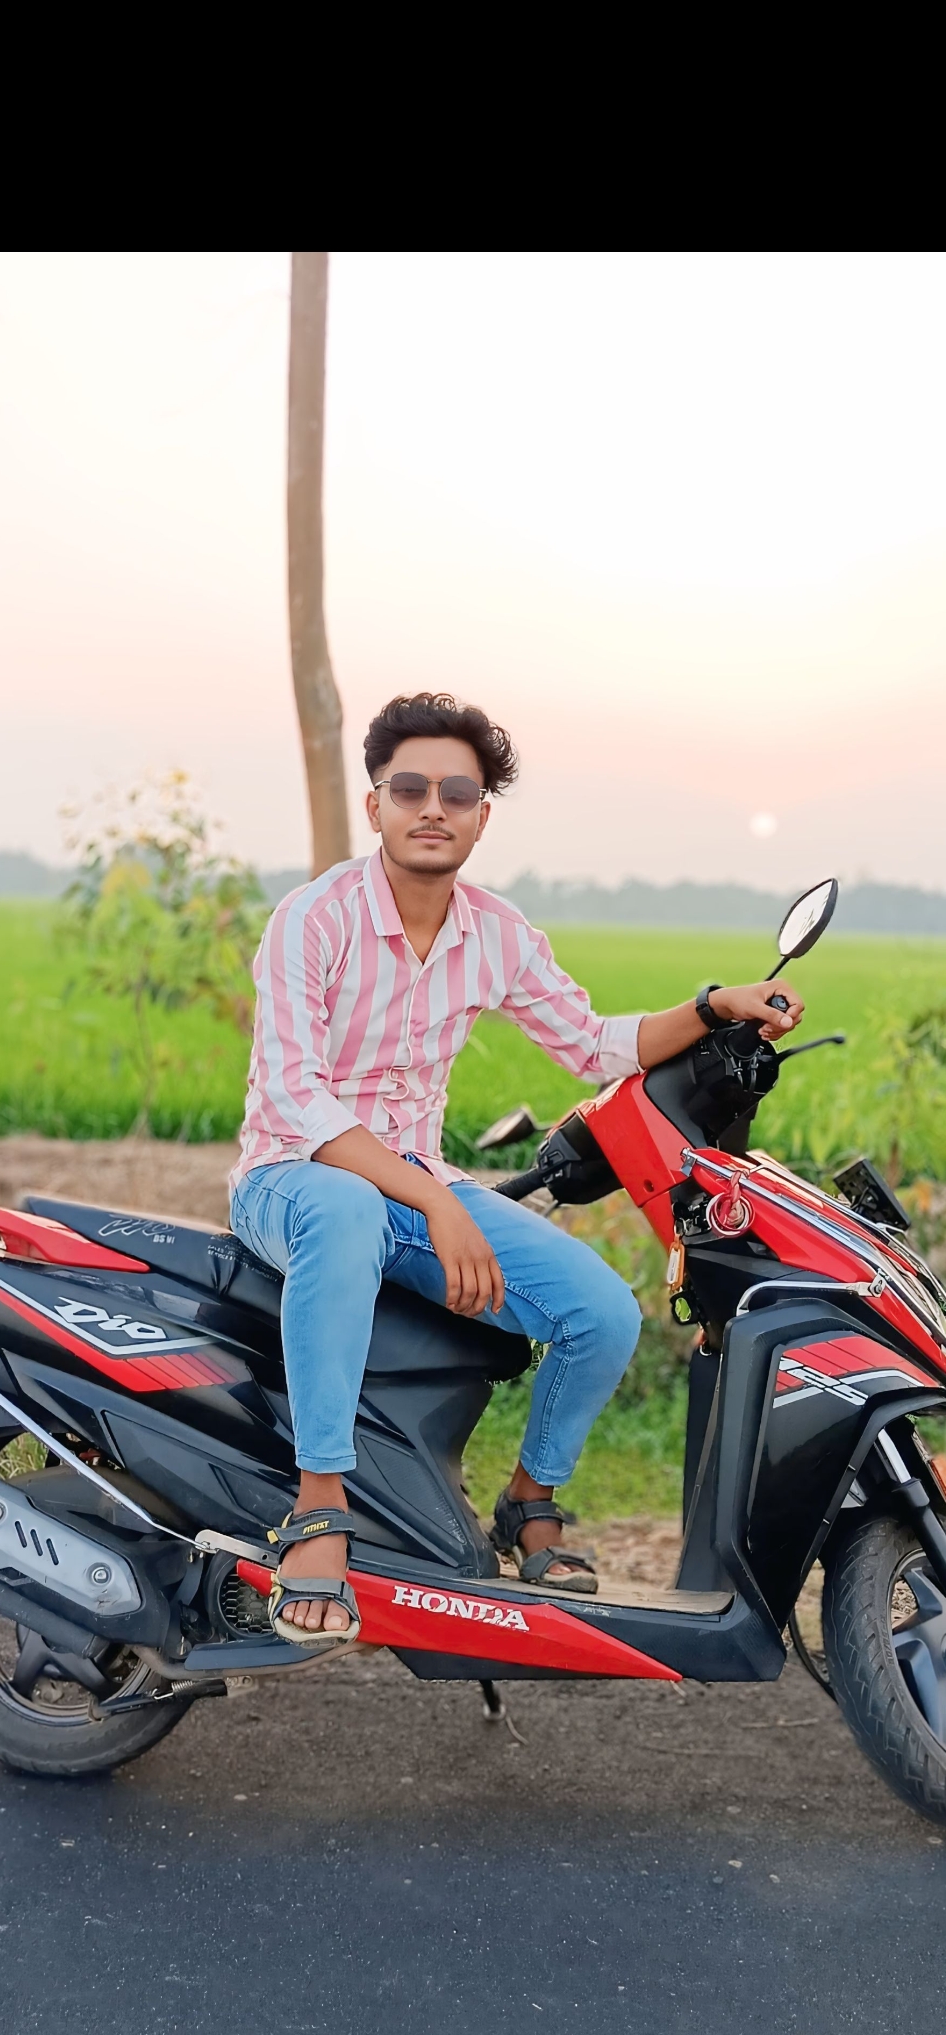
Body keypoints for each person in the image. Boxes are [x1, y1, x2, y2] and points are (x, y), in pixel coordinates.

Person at [229, 692, 804, 1645]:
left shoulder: (493, 933)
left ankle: (529, 1498)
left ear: (481, 817)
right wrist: (437, 1203)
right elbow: (298, 1100)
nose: (433, 808)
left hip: (415, 1182)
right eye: (409, 788)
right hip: (293, 1178)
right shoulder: (312, 919)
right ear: (375, 804)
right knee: (344, 1210)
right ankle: (319, 1504)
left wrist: (714, 1006)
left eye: (457, 793)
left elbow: (592, 1042)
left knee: (603, 1313)